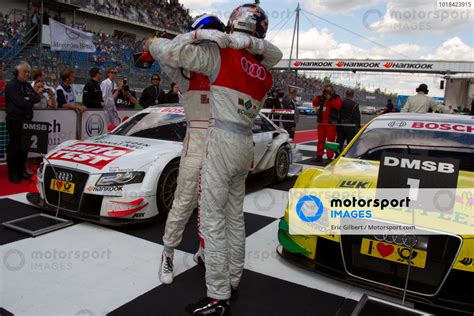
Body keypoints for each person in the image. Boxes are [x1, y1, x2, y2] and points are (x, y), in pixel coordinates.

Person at [148, 3, 282, 315]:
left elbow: (168, 53)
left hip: (218, 139)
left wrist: (189, 35)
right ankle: (233, 281)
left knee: (211, 220)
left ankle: (217, 296)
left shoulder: (219, 55)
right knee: (235, 216)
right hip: (245, 142)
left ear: (233, 24)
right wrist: (246, 43)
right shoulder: (264, 74)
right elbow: (272, 53)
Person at [5, 62, 40, 183]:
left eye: (28, 72)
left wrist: (27, 98)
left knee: (24, 147)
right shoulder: (11, 85)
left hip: (27, 120)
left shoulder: (27, 86)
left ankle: (21, 171)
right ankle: (13, 173)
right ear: (17, 72)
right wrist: (28, 98)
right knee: (14, 147)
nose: (27, 74)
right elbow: (20, 102)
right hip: (15, 120)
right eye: (24, 72)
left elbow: (37, 98)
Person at [312, 84, 342, 163]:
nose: (327, 92)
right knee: (320, 140)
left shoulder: (336, 97)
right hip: (322, 123)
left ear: (332, 91)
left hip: (331, 123)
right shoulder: (322, 97)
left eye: (329, 91)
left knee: (331, 140)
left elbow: (338, 106)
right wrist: (319, 95)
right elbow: (315, 103)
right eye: (326, 90)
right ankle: (319, 156)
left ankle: (329, 157)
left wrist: (330, 98)